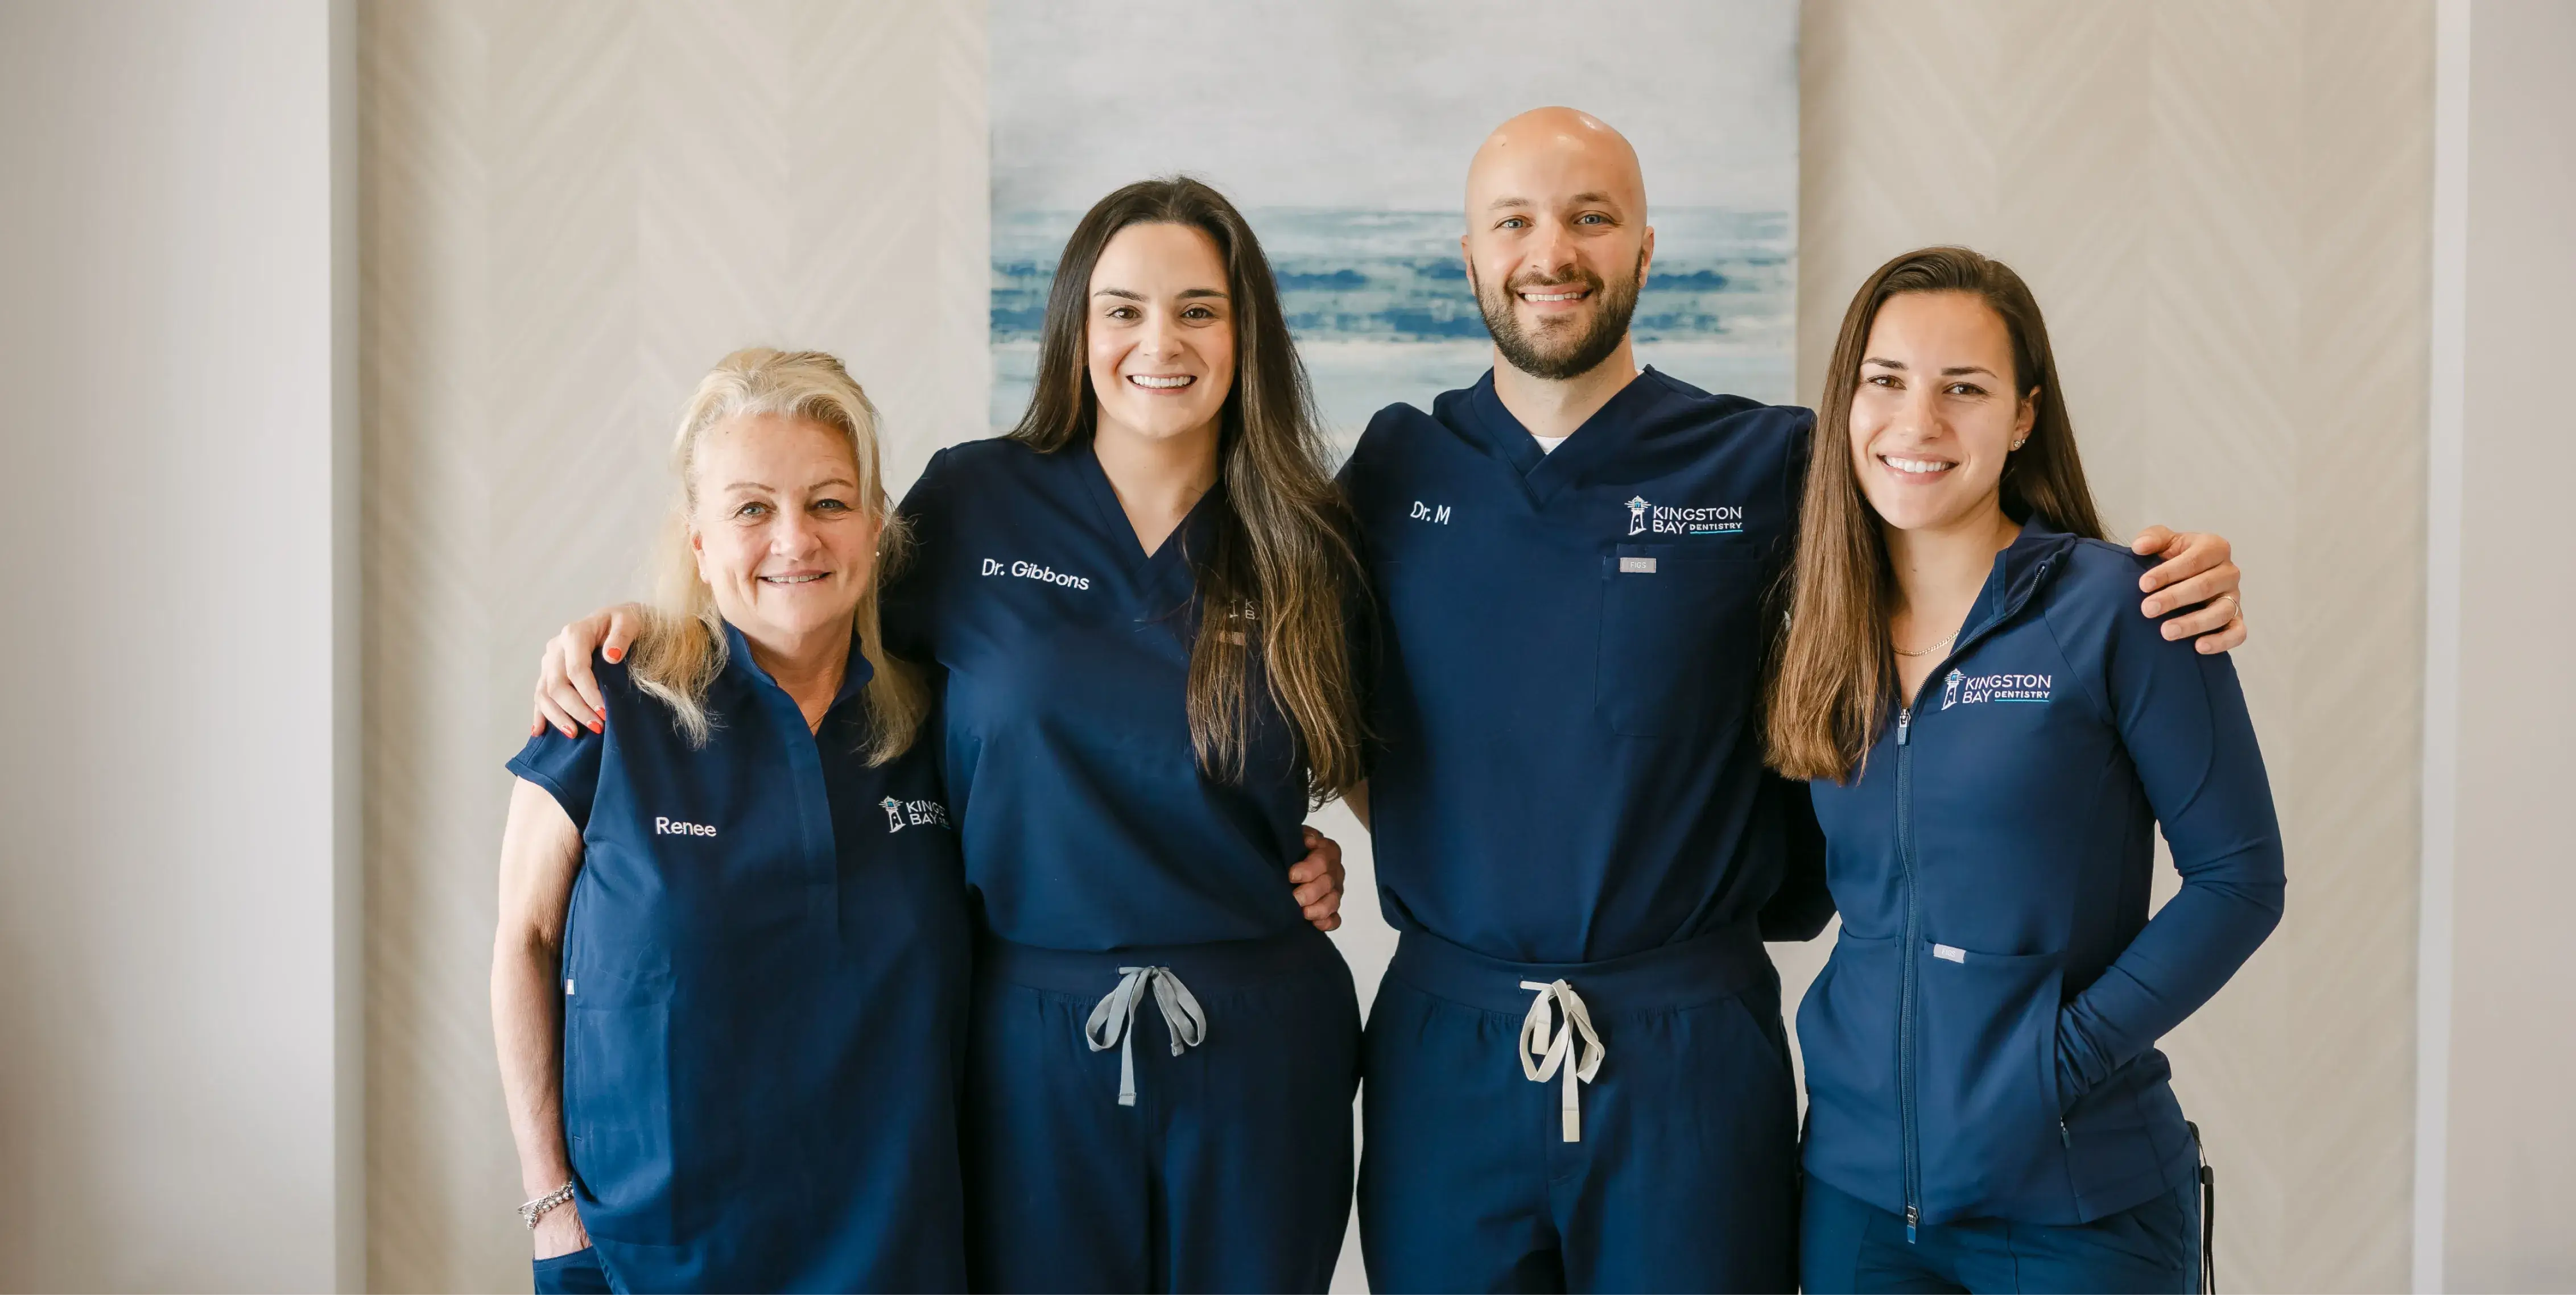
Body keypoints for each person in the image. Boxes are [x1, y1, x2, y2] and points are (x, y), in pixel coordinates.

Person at [1337, 109, 2251, 1294]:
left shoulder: (1770, 465)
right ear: (1467, 255)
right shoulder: (1393, 469)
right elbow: (1302, 690)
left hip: (1685, 1037)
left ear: (1645, 248)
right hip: (1443, 1036)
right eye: (1512, 221)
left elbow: (1960, 525)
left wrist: (2175, 579)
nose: (1549, 251)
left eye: (1589, 217)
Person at [530, 179, 1365, 1295]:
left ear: (1245, 329)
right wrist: (650, 623)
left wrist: (1315, 852)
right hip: (1028, 1047)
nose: (1156, 340)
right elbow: (815, 612)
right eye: (1120, 308)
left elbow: (1370, 756)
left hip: (1259, 1039)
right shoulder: (976, 502)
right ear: (1074, 326)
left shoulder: (1301, 533)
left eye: (1198, 308)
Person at [1773, 247, 2281, 1294]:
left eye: (1965, 389)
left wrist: (2059, 1063)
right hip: (1857, 1200)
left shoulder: (2122, 610)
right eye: (1887, 381)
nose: (1918, 424)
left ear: (2022, 416)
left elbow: (2241, 880)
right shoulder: (1818, 627)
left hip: (2076, 1204)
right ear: (1847, 402)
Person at [490, 349, 973, 1294]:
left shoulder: (944, 720)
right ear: (701, 543)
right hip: (646, 1259)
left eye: (829, 501)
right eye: (751, 508)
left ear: (875, 528)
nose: (794, 539)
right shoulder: (607, 701)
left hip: (897, 1256)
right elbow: (524, 941)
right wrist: (550, 1206)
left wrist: (1287, 859)